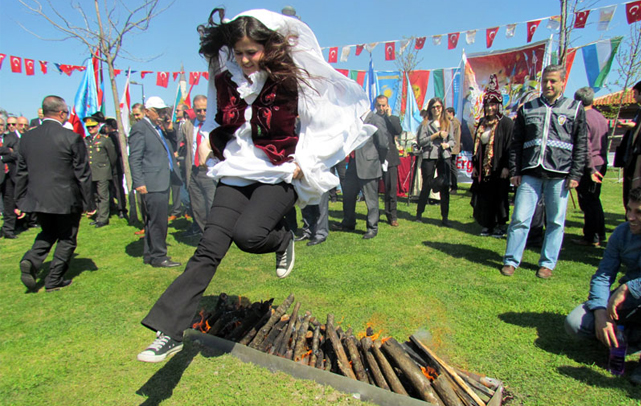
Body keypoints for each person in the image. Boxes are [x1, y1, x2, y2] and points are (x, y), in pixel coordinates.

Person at [136, 8, 375, 362]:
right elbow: (217, 118)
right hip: (236, 170)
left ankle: (283, 239)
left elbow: (320, 123)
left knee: (248, 236)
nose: (245, 60)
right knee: (208, 249)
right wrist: (207, 144)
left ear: (268, 48)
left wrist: (303, 162)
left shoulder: (292, 79)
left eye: (252, 52)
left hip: (278, 171)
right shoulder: (224, 78)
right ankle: (169, 331)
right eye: (239, 53)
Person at [501, 65, 587, 279]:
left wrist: (576, 174)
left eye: (553, 81)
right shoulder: (527, 108)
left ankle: (547, 263)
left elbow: (581, 144)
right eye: (545, 81)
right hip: (530, 172)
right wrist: (515, 170)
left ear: (562, 83)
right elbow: (516, 143)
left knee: (556, 221)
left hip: (559, 173)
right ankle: (511, 260)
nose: (548, 85)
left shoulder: (574, 108)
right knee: (520, 217)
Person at [14, 96, 95, 292]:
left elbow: (21, 172)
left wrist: (19, 200)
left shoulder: (27, 138)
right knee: (67, 237)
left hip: (38, 197)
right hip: (65, 198)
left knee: (48, 232)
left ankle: (31, 259)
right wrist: (90, 203)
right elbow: (82, 174)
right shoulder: (71, 137)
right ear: (61, 113)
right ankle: (54, 279)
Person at [564, 187, 641, 382]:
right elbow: (603, 275)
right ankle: (624, 340)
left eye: (638, 212)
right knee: (576, 323)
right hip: (627, 302)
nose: (630, 217)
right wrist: (600, 312)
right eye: (629, 210)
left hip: (631, 294)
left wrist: (629, 287)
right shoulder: (622, 233)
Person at [128, 96, 182, 268]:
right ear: (146, 111)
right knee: (158, 221)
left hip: (161, 179)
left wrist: (168, 128)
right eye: (157, 111)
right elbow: (135, 157)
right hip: (152, 181)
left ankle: (149, 254)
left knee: (153, 220)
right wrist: (139, 182)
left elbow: (172, 145)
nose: (161, 114)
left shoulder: (156, 128)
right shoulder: (140, 128)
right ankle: (159, 256)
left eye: (162, 111)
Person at [334, 110, 389, 239]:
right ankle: (348, 222)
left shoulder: (376, 119)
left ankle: (372, 227)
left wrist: (378, 160)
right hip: (353, 164)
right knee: (348, 196)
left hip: (369, 164)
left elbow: (383, 144)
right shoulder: (354, 120)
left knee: (371, 199)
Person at [470, 74, 514, 238]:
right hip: (483, 168)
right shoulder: (481, 124)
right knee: (485, 196)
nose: (489, 108)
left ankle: (501, 225)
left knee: (500, 196)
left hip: (499, 167)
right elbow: (477, 146)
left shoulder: (507, 124)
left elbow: (510, 146)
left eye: (493, 105)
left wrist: (507, 166)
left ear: (499, 105)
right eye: (487, 105)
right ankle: (487, 224)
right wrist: (475, 167)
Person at [572, 87, 609, 247]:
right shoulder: (601, 117)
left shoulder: (584, 118)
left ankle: (592, 236)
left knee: (588, 201)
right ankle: (599, 234)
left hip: (591, 165)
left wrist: (590, 168)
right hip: (601, 162)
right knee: (594, 200)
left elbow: (585, 145)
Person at [180, 94, 217, 238]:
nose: (202, 113)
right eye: (198, 110)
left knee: (212, 205)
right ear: (193, 110)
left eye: (205, 110)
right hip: (193, 171)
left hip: (209, 171)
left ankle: (216, 236)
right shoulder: (188, 126)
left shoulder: (215, 124)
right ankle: (204, 235)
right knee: (198, 207)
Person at [414, 97, 456, 227]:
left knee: (444, 186)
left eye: (438, 107)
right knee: (426, 184)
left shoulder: (448, 123)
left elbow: (453, 141)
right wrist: (436, 135)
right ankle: (419, 214)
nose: (436, 109)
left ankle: (445, 217)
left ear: (442, 108)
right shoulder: (425, 124)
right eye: (434, 107)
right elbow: (421, 141)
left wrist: (447, 145)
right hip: (429, 155)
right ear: (430, 109)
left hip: (443, 156)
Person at [84, 116, 117, 228]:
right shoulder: (86, 140)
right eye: (88, 127)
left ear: (98, 126)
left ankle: (103, 218)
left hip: (102, 171)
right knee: (95, 196)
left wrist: (108, 168)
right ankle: (98, 216)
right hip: (92, 172)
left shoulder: (104, 140)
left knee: (103, 195)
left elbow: (112, 156)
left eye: (93, 127)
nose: (90, 129)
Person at [375, 95, 402, 227]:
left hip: (390, 158)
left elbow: (398, 130)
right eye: (379, 105)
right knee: (374, 189)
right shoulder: (372, 119)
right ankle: (374, 214)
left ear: (387, 106)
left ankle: (392, 215)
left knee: (391, 188)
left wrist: (390, 117)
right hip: (375, 158)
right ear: (375, 106)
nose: (381, 108)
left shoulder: (393, 118)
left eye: (383, 105)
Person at [616, 81, 641, 210]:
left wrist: (633, 126)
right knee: (628, 194)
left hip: (637, 161)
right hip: (630, 159)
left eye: (635, 93)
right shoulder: (638, 111)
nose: (633, 97)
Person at [1, 116, 20, 238]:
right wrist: (7, 150)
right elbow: (11, 152)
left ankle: (8, 230)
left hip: (8, 175)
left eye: (1, 125)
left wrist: (3, 157)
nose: (0, 127)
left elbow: (17, 154)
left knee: (9, 203)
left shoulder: (12, 138)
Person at [446, 107, 461, 194]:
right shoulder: (453, 122)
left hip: (453, 148)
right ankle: (451, 185)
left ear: (451, 113)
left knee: (452, 167)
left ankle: (454, 186)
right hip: (452, 148)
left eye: (447, 113)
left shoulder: (455, 122)